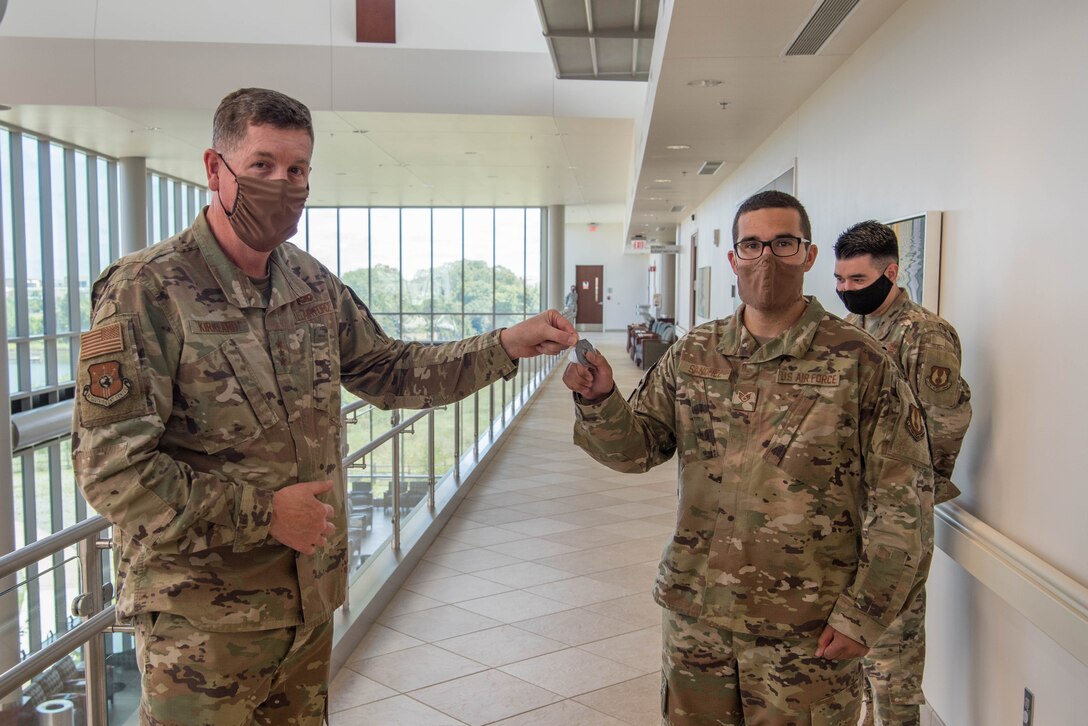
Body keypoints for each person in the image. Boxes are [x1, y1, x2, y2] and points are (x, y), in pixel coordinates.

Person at [71, 87, 577, 725]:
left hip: (307, 599)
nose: (283, 184)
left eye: (298, 170)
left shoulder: (309, 284)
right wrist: (264, 515)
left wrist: (506, 344)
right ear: (214, 168)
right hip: (204, 621)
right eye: (262, 166)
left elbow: (390, 370)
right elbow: (110, 468)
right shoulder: (147, 290)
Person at [563, 191, 934, 724]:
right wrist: (601, 402)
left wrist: (864, 615)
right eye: (752, 245)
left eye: (783, 243)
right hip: (698, 618)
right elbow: (638, 449)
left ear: (807, 256)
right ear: (733, 258)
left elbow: (905, 505)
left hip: (807, 634)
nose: (766, 259)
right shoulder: (695, 354)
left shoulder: (860, 362)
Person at [834, 220, 972, 726]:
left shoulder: (924, 334)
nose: (846, 290)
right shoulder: (858, 329)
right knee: (860, 642)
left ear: (891, 272)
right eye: (841, 280)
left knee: (893, 650)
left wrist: (907, 496)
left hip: (898, 518)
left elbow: (945, 422)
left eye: (857, 280)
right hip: (854, 508)